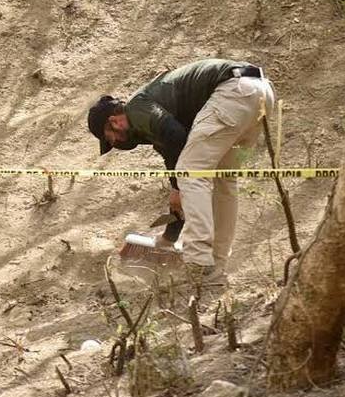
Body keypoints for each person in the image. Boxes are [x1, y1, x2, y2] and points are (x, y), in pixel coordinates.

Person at [88, 58, 276, 283]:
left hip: (233, 93)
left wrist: (178, 188)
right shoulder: (152, 125)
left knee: (191, 172)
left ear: (114, 122)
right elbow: (176, 160)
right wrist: (169, 238)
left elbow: (178, 143)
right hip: (259, 93)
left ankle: (199, 261)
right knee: (222, 181)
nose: (117, 143)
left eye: (111, 138)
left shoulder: (137, 109)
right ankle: (215, 267)